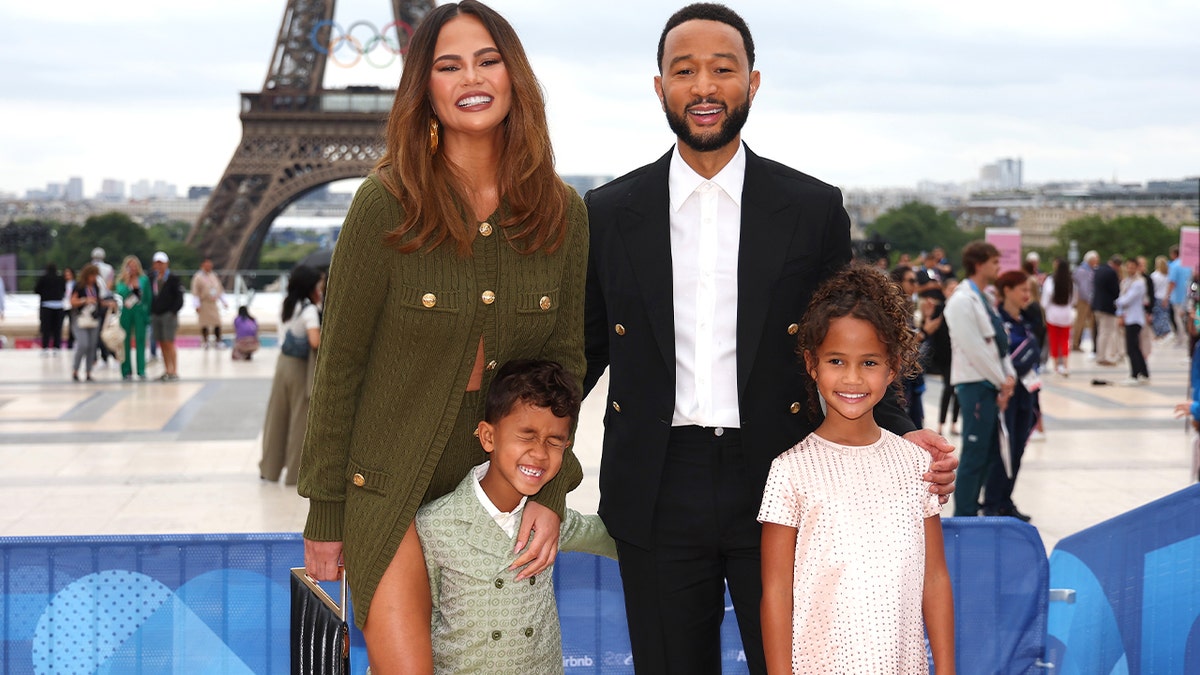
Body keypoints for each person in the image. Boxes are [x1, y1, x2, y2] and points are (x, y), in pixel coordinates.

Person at [582, 5, 956, 672]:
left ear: (752, 83)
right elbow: (580, 351)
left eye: (722, 70)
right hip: (656, 485)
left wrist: (903, 430)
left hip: (785, 475)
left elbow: (848, 332)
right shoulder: (609, 212)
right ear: (659, 86)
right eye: (684, 70)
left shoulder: (811, 208)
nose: (704, 87)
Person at [297, 3, 590, 672]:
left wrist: (549, 490)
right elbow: (339, 366)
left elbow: (565, 365)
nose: (471, 78)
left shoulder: (562, 212)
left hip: (501, 483)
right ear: (423, 88)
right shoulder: (385, 204)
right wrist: (325, 513)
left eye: (488, 60)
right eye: (448, 65)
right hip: (389, 479)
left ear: (514, 76)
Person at [759, 265, 954, 674]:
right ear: (812, 364)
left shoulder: (916, 464)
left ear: (893, 366)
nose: (852, 378)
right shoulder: (789, 471)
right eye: (836, 360)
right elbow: (776, 592)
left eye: (868, 362)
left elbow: (934, 579)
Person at [415, 359, 616, 673]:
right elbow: (407, 623)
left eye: (554, 441)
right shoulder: (434, 525)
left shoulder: (550, 523)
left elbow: (619, 542)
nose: (539, 453)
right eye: (526, 435)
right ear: (488, 437)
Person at [943, 241, 1015, 518]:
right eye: (994, 262)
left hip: (990, 384)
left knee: (986, 452)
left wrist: (1007, 378)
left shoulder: (983, 299)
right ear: (979, 264)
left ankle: (973, 510)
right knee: (974, 454)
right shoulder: (962, 300)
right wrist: (1001, 381)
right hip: (975, 384)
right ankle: (964, 515)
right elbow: (974, 348)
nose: (998, 267)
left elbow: (998, 344)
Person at [982, 270, 1038, 521]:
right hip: (1007, 392)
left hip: (1027, 393)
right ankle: (992, 501)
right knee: (1002, 448)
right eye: (1022, 290)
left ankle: (1006, 499)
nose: (1027, 295)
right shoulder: (998, 321)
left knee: (1018, 449)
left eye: (1029, 290)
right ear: (1007, 290)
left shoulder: (1024, 321)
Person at [260, 266, 324, 486]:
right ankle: (295, 474)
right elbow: (315, 341)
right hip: (299, 368)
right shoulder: (309, 310)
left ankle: (269, 469)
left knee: (277, 417)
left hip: (282, 364)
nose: (321, 288)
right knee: (299, 421)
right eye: (319, 284)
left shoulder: (286, 305)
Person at [68, 264, 114, 382]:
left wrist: (108, 303)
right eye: (92, 275)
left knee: (92, 346)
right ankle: (75, 369)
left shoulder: (95, 287)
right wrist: (84, 300)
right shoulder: (79, 286)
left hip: (93, 319)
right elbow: (72, 301)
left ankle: (88, 372)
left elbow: (98, 301)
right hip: (81, 318)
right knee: (83, 344)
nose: (93, 278)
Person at [930, 277, 960, 436]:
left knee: (958, 392)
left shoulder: (963, 310)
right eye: (951, 289)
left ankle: (954, 422)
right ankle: (941, 423)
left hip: (959, 356)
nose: (953, 292)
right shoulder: (940, 309)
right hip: (945, 356)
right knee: (948, 388)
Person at [115, 255, 152, 381]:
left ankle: (141, 369)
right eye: (130, 266)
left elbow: (148, 298)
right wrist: (126, 281)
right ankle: (126, 370)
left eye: (134, 266)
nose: (133, 268)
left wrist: (147, 314)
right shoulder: (121, 281)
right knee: (124, 341)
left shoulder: (144, 280)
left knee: (140, 340)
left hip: (139, 311)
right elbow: (119, 295)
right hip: (126, 311)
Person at [148, 251, 184, 381]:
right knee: (162, 343)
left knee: (169, 342)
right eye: (157, 263)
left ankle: (174, 370)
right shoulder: (152, 278)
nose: (159, 265)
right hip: (156, 314)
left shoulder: (173, 278)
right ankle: (167, 369)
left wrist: (173, 312)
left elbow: (179, 298)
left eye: (161, 263)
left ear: (166, 264)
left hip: (168, 314)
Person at [1115, 257, 1150, 385]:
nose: (1130, 269)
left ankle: (1135, 374)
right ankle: (1143, 372)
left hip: (1135, 318)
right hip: (1128, 317)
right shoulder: (1126, 281)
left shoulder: (1139, 282)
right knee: (1134, 347)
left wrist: (1116, 303)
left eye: (1132, 267)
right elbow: (1122, 298)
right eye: (1128, 266)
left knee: (1132, 348)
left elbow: (1126, 300)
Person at [1041, 257, 1075, 376]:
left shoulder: (1051, 280)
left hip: (1053, 314)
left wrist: (1045, 308)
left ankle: (1056, 366)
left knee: (1054, 340)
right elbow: (1073, 299)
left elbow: (1046, 298)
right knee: (1065, 340)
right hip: (1066, 314)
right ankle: (1065, 365)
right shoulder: (1071, 282)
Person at [1092, 254, 1123, 366]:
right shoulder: (1111, 273)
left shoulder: (1099, 269)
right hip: (1107, 307)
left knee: (1101, 331)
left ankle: (1100, 354)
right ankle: (1102, 356)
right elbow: (1116, 291)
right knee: (1106, 332)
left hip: (1097, 305)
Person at [191, 257, 228, 348]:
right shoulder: (198, 277)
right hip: (204, 302)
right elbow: (195, 292)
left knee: (217, 322)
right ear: (202, 265)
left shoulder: (213, 275)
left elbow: (220, 289)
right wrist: (197, 305)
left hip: (213, 302)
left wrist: (224, 301)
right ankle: (205, 341)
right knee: (204, 323)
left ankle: (218, 341)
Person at [89, 247, 117, 367]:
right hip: (105, 300)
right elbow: (109, 285)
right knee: (105, 329)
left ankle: (99, 357)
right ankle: (109, 356)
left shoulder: (89, 267)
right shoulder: (109, 268)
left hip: (94, 301)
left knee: (96, 331)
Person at [35, 264, 66, 355]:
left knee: (46, 328)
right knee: (57, 328)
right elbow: (63, 290)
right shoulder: (60, 279)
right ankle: (57, 347)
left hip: (46, 305)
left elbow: (36, 290)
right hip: (59, 305)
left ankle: (45, 347)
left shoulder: (43, 278)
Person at [1072, 250, 1098, 353]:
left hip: (1089, 299)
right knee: (1080, 322)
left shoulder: (1090, 270)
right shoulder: (1082, 271)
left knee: (1091, 322)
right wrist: (1090, 300)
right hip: (1084, 300)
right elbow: (1084, 288)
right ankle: (1075, 343)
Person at [1168, 244, 1193, 347]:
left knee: (1178, 320)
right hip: (1188, 296)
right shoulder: (1189, 264)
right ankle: (1188, 338)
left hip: (1177, 297)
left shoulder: (1174, 265)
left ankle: (1181, 339)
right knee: (1187, 319)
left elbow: (1172, 282)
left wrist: (1167, 295)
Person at [1151, 255, 1172, 339]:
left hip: (1157, 297)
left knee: (1157, 316)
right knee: (1164, 315)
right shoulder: (1168, 275)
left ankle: (1158, 332)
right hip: (1166, 297)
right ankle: (1165, 331)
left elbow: (1153, 288)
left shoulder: (1155, 276)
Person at [62, 267, 77, 350]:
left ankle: (71, 343)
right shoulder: (62, 283)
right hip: (64, 304)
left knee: (72, 325)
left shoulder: (75, 284)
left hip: (71, 306)